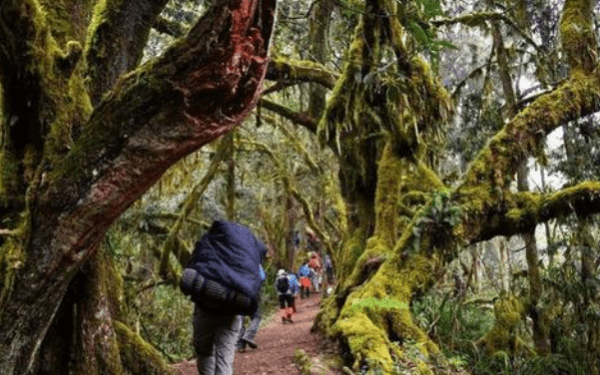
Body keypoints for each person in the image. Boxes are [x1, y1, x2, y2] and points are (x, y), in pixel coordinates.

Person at [184, 220, 267, 375]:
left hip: (205, 308)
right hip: (233, 310)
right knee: (225, 358)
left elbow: (193, 264)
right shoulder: (250, 259)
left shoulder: (210, 244)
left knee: (205, 353)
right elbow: (258, 282)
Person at [237, 265, 266, 351]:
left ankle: (240, 345)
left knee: (240, 318)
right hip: (253, 293)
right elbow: (262, 277)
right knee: (256, 316)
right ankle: (248, 336)